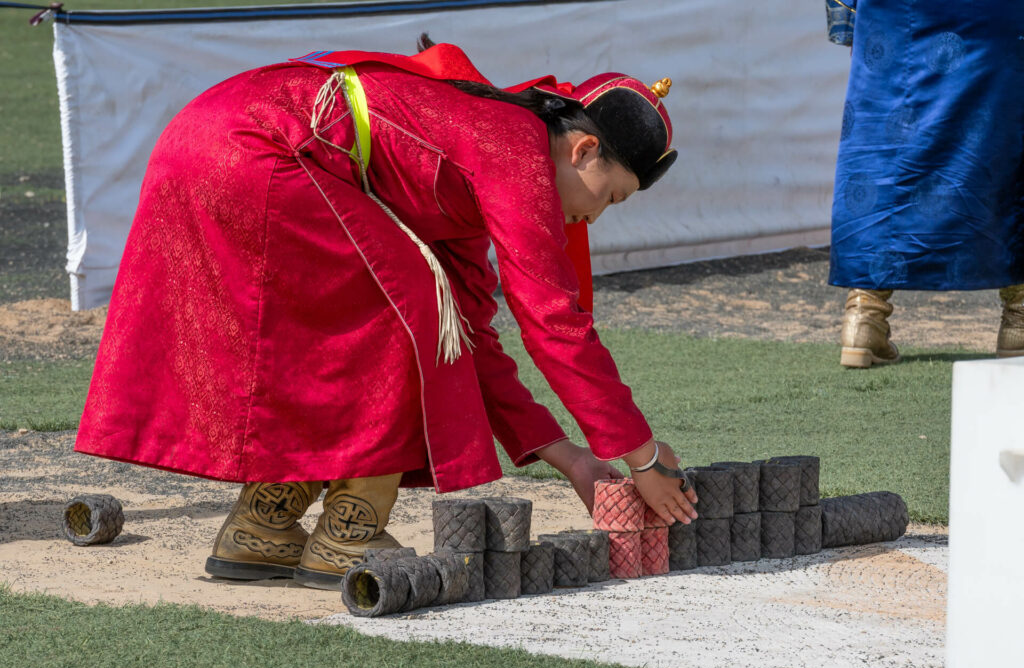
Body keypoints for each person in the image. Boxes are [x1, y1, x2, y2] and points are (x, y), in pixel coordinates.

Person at [74, 37, 698, 590]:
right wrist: (641, 459)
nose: (594, 217)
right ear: (583, 148)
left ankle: (263, 525)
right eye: (610, 195)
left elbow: (473, 339)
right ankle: (349, 533)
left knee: (430, 316)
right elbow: (554, 323)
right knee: (414, 311)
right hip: (256, 145)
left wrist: (576, 460)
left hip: (213, 136)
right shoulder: (515, 150)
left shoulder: (477, 169)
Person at [828, 0, 1024, 367]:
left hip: (893, 12)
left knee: (880, 146)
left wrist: (848, 20)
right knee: (1009, 135)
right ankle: (1020, 315)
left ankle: (864, 317)